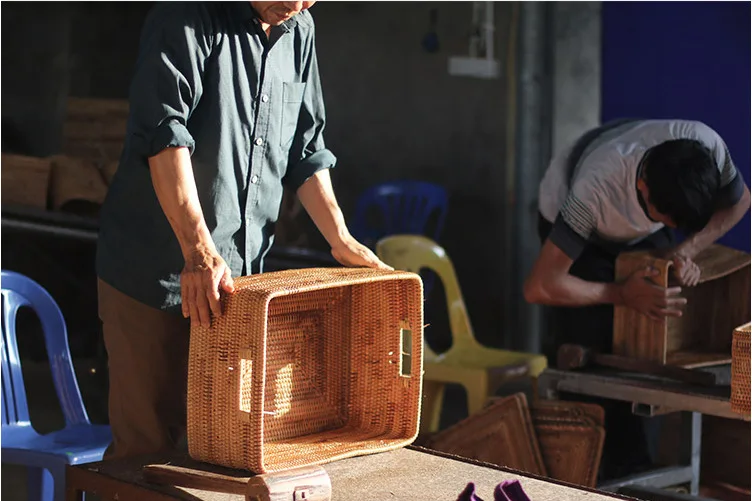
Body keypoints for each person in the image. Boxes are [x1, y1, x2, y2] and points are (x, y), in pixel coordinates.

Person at [96, 1, 390, 459]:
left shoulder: (299, 30)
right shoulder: (187, 15)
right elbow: (163, 134)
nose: (296, 4)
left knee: (224, 449)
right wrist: (198, 250)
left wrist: (342, 240)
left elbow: (306, 149)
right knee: (145, 457)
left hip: (239, 286)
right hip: (154, 275)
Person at [523, 118, 750, 479]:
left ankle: (638, 470)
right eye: (668, 220)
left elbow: (741, 201)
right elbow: (540, 286)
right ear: (643, 186)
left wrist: (686, 251)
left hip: (638, 224)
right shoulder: (593, 189)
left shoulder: (707, 146)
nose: (673, 228)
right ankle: (587, 476)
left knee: (653, 325)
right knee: (591, 343)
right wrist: (619, 294)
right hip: (580, 223)